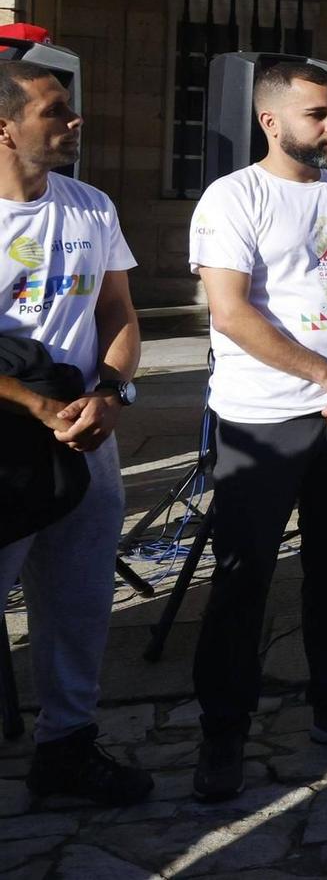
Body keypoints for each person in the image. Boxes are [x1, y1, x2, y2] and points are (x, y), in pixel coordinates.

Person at [186, 60, 327, 800]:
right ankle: (224, 730)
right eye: (319, 114)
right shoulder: (232, 198)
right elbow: (232, 312)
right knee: (242, 577)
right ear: (271, 121)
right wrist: (326, 375)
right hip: (261, 418)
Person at [0, 62, 149, 806]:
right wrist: (33, 403)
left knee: (79, 598)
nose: (73, 121)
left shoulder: (90, 207)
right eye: (55, 111)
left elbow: (118, 313)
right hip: (8, 445)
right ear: (6, 127)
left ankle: (66, 746)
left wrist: (112, 391)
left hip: (87, 437)